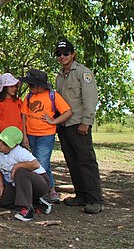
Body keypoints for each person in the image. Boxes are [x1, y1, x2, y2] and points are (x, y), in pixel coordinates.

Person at [54, 39, 104, 213]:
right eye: (59, 54)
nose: (62, 57)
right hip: (64, 125)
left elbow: (90, 99)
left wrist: (86, 122)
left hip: (78, 124)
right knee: (72, 162)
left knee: (86, 161)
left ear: (73, 54)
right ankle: (81, 196)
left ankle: (95, 199)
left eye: (66, 53)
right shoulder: (59, 76)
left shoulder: (83, 73)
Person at [19, 68, 72, 206]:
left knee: (41, 163)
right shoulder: (29, 97)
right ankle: (51, 189)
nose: (29, 88)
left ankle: (40, 192)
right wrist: (24, 135)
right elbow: (24, 116)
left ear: (39, 85)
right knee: (41, 163)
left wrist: (54, 121)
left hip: (46, 135)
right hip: (31, 134)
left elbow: (68, 112)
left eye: (31, 85)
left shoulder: (52, 96)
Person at [0, 126, 52, 222]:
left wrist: (17, 166)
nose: (0, 144)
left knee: (21, 171)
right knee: (0, 200)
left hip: (40, 182)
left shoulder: (20, 152)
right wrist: (0, 185)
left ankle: (27, 209)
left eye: (5, 144)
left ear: (14, 146)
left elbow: (35, 164)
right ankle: (35, 201)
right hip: (17, 185)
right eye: (0, 140)